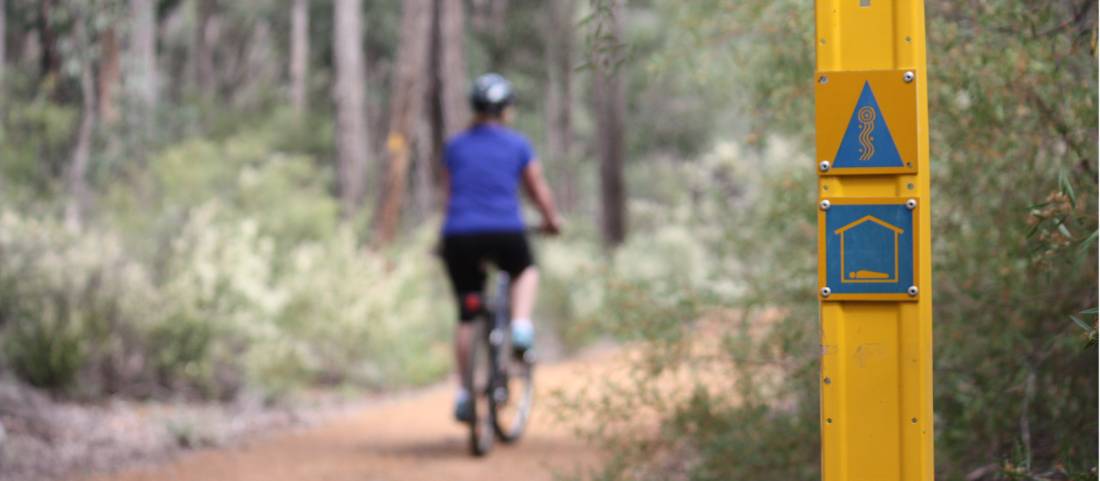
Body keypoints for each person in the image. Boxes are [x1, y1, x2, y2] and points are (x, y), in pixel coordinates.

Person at [440, 73, 562, 423]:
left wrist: (444, 237)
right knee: (525, 270)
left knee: (467, 311)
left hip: (460, 234)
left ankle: (463, 394)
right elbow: (537, 189)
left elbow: (449, 196)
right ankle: (521, 325)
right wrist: (551, 221)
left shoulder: (455, 146)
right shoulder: (518, 144)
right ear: (507, 109)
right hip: (507, 231)